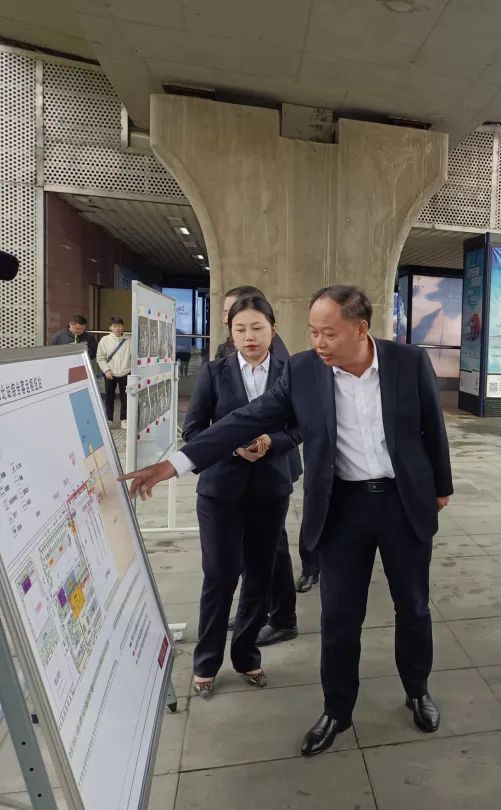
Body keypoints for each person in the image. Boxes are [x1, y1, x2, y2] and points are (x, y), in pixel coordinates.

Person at [120, 285, 452, 756]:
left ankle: (417, 690)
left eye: (328, 333)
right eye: (313, 332)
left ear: (361, 329)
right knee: (340, 616)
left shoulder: (408, 362)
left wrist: (441, 486)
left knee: (413, 607)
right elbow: (244, 419)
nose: (318, 342)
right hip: (341, 507)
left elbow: (431, 427)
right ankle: (337, 709)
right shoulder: (302, 370)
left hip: (402, 503)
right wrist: (174, 464)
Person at [182, 295, 302, 699]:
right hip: (220, 491)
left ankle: (247, 655)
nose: (249, 336)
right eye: (240, 329)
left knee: (259, 576)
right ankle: (206, 662)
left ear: (273, 329)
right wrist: (231, 445)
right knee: (219, 575)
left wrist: (271, 442)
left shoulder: (289, 373)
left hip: (270, 489)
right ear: (230, 333)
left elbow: (300, 428)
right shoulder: (214, 372)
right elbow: (193, 431)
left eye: (257, 328)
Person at [215, 284, 318, 594]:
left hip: (273, 460)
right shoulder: (224, 352)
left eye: (233, 311)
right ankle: (267, 607)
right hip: (239, 464)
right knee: (259, 542)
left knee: (272, 542)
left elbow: (292, 418)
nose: (228, 319)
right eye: (227, 315)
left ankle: (281, 607)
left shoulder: (280, 359)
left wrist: (268, 441)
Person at [95, 317, 132, 428]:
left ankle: (124, 419)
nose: (117, 328)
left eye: (119, 326)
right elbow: (100, 357)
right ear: (110, 327)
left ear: (123, 327)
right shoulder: (105, 340)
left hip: (126, 372)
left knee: (125, 397)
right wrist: (106, 370)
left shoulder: (129, 340)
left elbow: (134, 356)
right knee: (109, 397)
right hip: (110, 373)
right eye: (115, 326)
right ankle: (109, 419)